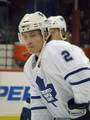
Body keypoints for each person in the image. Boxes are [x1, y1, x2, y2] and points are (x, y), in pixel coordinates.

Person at [18, 11, 90, 120]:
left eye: (32, 35)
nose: (28, 41)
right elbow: (39, 102)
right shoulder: (29, 67)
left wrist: (81, 106)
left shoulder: (57, 49)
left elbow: (83, 73)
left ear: (45, 33)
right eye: (25, 37)